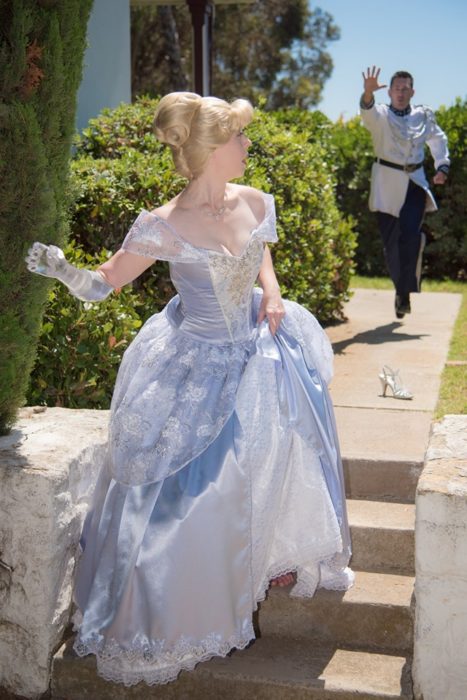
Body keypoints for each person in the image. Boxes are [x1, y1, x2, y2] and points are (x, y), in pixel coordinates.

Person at [25, 92, 353, 687]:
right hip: (194, 360)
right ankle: (181, 606)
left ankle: (272, 553)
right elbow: (105, 284)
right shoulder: (163, 224)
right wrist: (62, 270)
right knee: (193, 489)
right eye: (240, 138)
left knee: (288, 425)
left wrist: (273, 292)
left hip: (256, 346)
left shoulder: (254, 201)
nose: (248, 145)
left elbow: (263, 257)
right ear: (211, 150)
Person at [360, 66, 450, 318]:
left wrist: (442, 166)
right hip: (386, 186)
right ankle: (402, 289)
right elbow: (367, 112)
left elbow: (438, 140)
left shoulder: (423, 116)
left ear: (412, 91)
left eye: (405, 88)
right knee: (392, 245)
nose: (400, 92)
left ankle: (404, 293)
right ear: (389, 92)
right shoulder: (380, 116)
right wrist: (367, 93)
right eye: (396, 88)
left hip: (415, 184)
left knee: (410, 237)